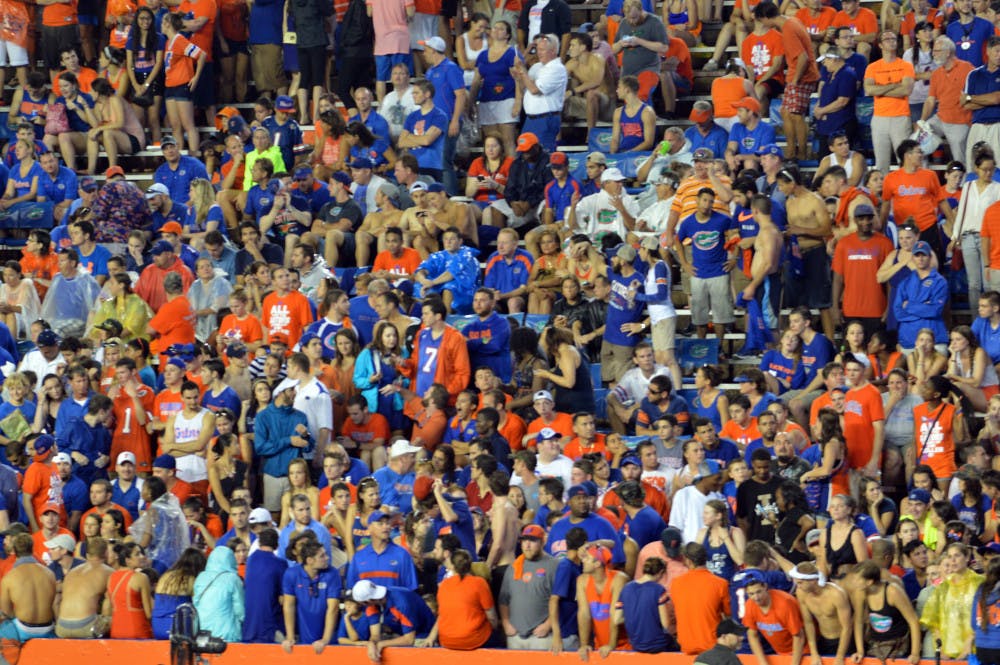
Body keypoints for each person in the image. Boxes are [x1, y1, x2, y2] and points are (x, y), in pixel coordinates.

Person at [427, 549, 499, 649]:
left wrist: (431, 637)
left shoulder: (443, 585)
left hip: (447, 640)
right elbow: (492, 617)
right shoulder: (479, 583)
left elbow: (442, 615)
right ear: (470, 564)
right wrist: (495, 628)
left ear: (452, 566)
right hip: (474, 639)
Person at [852, 560, 922, 661]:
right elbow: (858, 622)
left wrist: (915, 653)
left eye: (857, 579)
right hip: (876, 645)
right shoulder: (860, 593)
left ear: (869, 582)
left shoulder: (893, 591)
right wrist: (860, 651)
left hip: (899, 645)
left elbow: (913, 620)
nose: (853, 583)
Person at [671, 541, 731, 654]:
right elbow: (728, 614)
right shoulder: (721, 584)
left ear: (688, 560)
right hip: (712, 647)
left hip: (686, 646)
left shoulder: (675, 584)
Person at [281, 540, 340, 654]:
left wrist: (325, 639)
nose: (327, 558)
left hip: (330, 639)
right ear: (309, 560)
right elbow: (289, 606)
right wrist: (290, 637)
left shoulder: (332, 573)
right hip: (304, 637)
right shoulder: (291, 574)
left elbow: (333, 608)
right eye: (322, 556)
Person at [0, 532, 56, 641]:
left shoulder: (10, 577)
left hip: (23, 630)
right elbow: (53, 603)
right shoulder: (49, 573)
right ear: (32, 549)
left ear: (14, 552)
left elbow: (6, 613)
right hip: (47, 628)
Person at [55, 536, 113, 638]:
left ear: (87, 554)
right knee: (114, 613)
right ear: (106, 553)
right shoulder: (108, 571)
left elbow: (58, 599)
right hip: (86, 627)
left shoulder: (72, 571)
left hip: (61, 627)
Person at [742, 573, 806, 663]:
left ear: (765, 586)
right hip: (780, 652)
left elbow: (799, 636)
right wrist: (762, 662)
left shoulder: (784, 603)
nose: (756, 598)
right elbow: (752, 635)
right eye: (751, 594)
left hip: (803, 651)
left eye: (758, 592)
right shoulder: (749, 605)